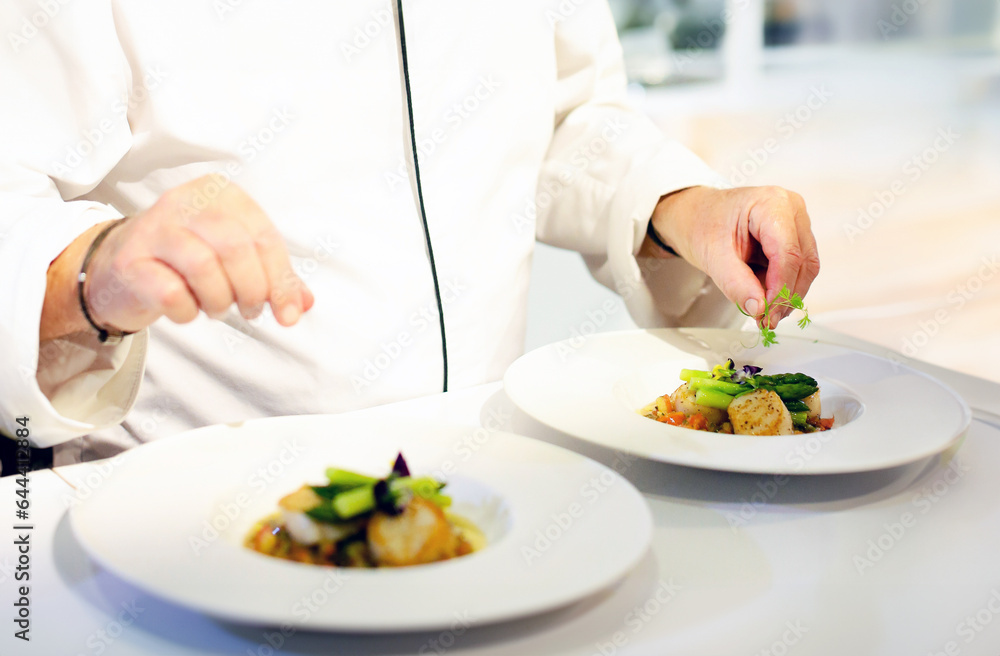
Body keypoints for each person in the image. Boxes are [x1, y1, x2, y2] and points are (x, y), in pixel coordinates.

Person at [0, 0, 818, 467]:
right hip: (187, 505)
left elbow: (566, 117)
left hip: (489, 486)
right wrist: (93, 273)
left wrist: (681, 204)